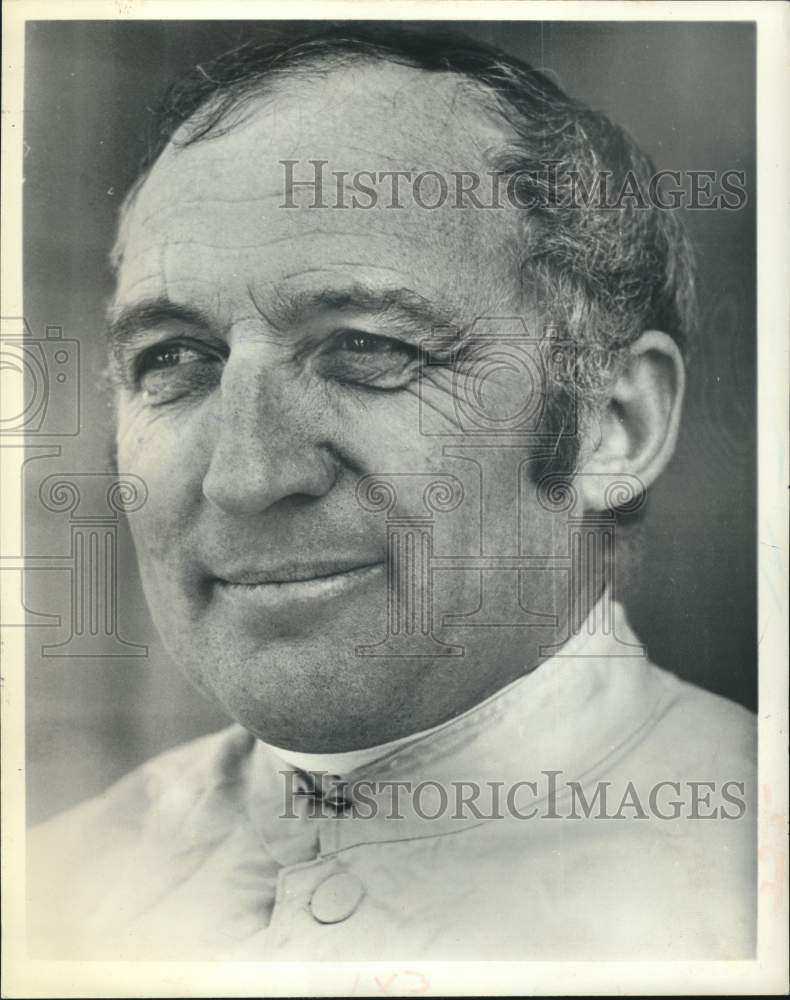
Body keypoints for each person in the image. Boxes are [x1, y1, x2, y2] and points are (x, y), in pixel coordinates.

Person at [28, 24, 755, 960]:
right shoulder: (51, 893)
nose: (246, 477)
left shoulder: (749, 878)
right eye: (174, 359)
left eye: (367, 347)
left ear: (614, 426)